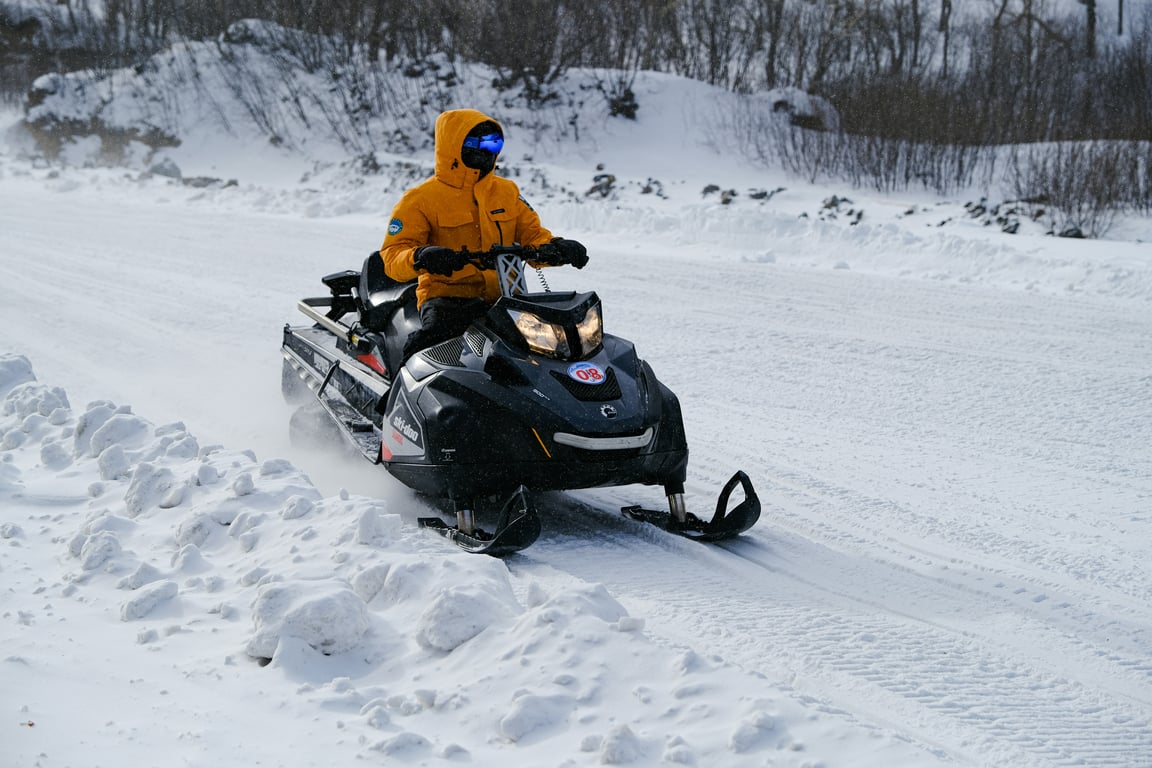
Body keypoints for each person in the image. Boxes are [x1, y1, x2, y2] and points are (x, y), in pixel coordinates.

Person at [380, 108, 588, 361]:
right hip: (449, 301)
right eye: (477, 143)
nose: (486, 150)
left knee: (555, 352)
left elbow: (532, 235)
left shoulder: (506, 191)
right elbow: (393, 256)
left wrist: (557, 247)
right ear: (454, 145)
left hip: (506, 300)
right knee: (427, 353)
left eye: (494, 143)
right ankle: (394, 398)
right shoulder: (420, 199)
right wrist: (422, 256)